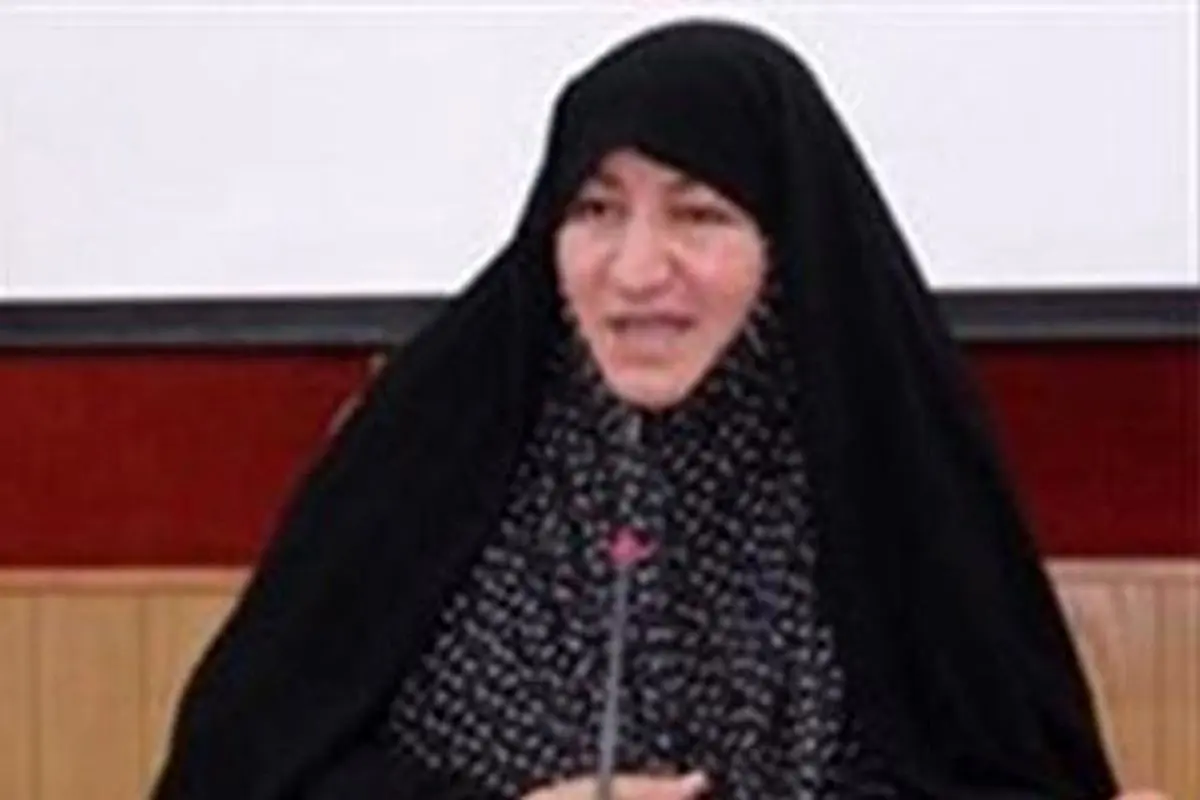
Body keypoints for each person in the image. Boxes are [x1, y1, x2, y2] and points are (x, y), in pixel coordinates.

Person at [151, 19, 1139, 800]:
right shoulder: (428, 451)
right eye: (594, 209)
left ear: (789, 244)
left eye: (699, 213)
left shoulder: (894, 480)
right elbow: (235, 775)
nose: (633, 270)